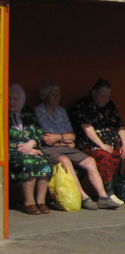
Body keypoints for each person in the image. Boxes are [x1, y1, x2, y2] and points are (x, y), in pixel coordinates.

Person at [34, 82, 119, 210]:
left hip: (67, 147)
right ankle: (83, 196)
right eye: (54, 95)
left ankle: (102, 196)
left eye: (59, 95)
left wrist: (59, 138)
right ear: (45, 96)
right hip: (49, 150)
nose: (57, 97)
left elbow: (72, 136)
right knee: (65, 160)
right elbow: (47, 140)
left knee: (90, 161)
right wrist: (64, 138)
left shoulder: (61, 111)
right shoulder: (38, 111)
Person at [70, 78, 125, 193]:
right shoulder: (83, 104)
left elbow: (120, 126)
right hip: (90, 145)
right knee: (105, 156)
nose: (105, 99)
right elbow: (87, 128)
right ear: (94, 93)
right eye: (102, 96)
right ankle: (109, 191)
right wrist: (102, 145)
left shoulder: (110, 105)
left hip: (112, 144)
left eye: (108, 96)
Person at [9, 84, 52, 215]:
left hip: (31, 148)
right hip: (11, 150)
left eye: (15, 99)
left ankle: (41, 202)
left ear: (21, 99)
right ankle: (29, 202)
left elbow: (39, 132)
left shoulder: (28, 112)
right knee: (28, 162)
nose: (12, 102)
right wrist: (22, 148)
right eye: (9, 99)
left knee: (44, 162)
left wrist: (32, 143)